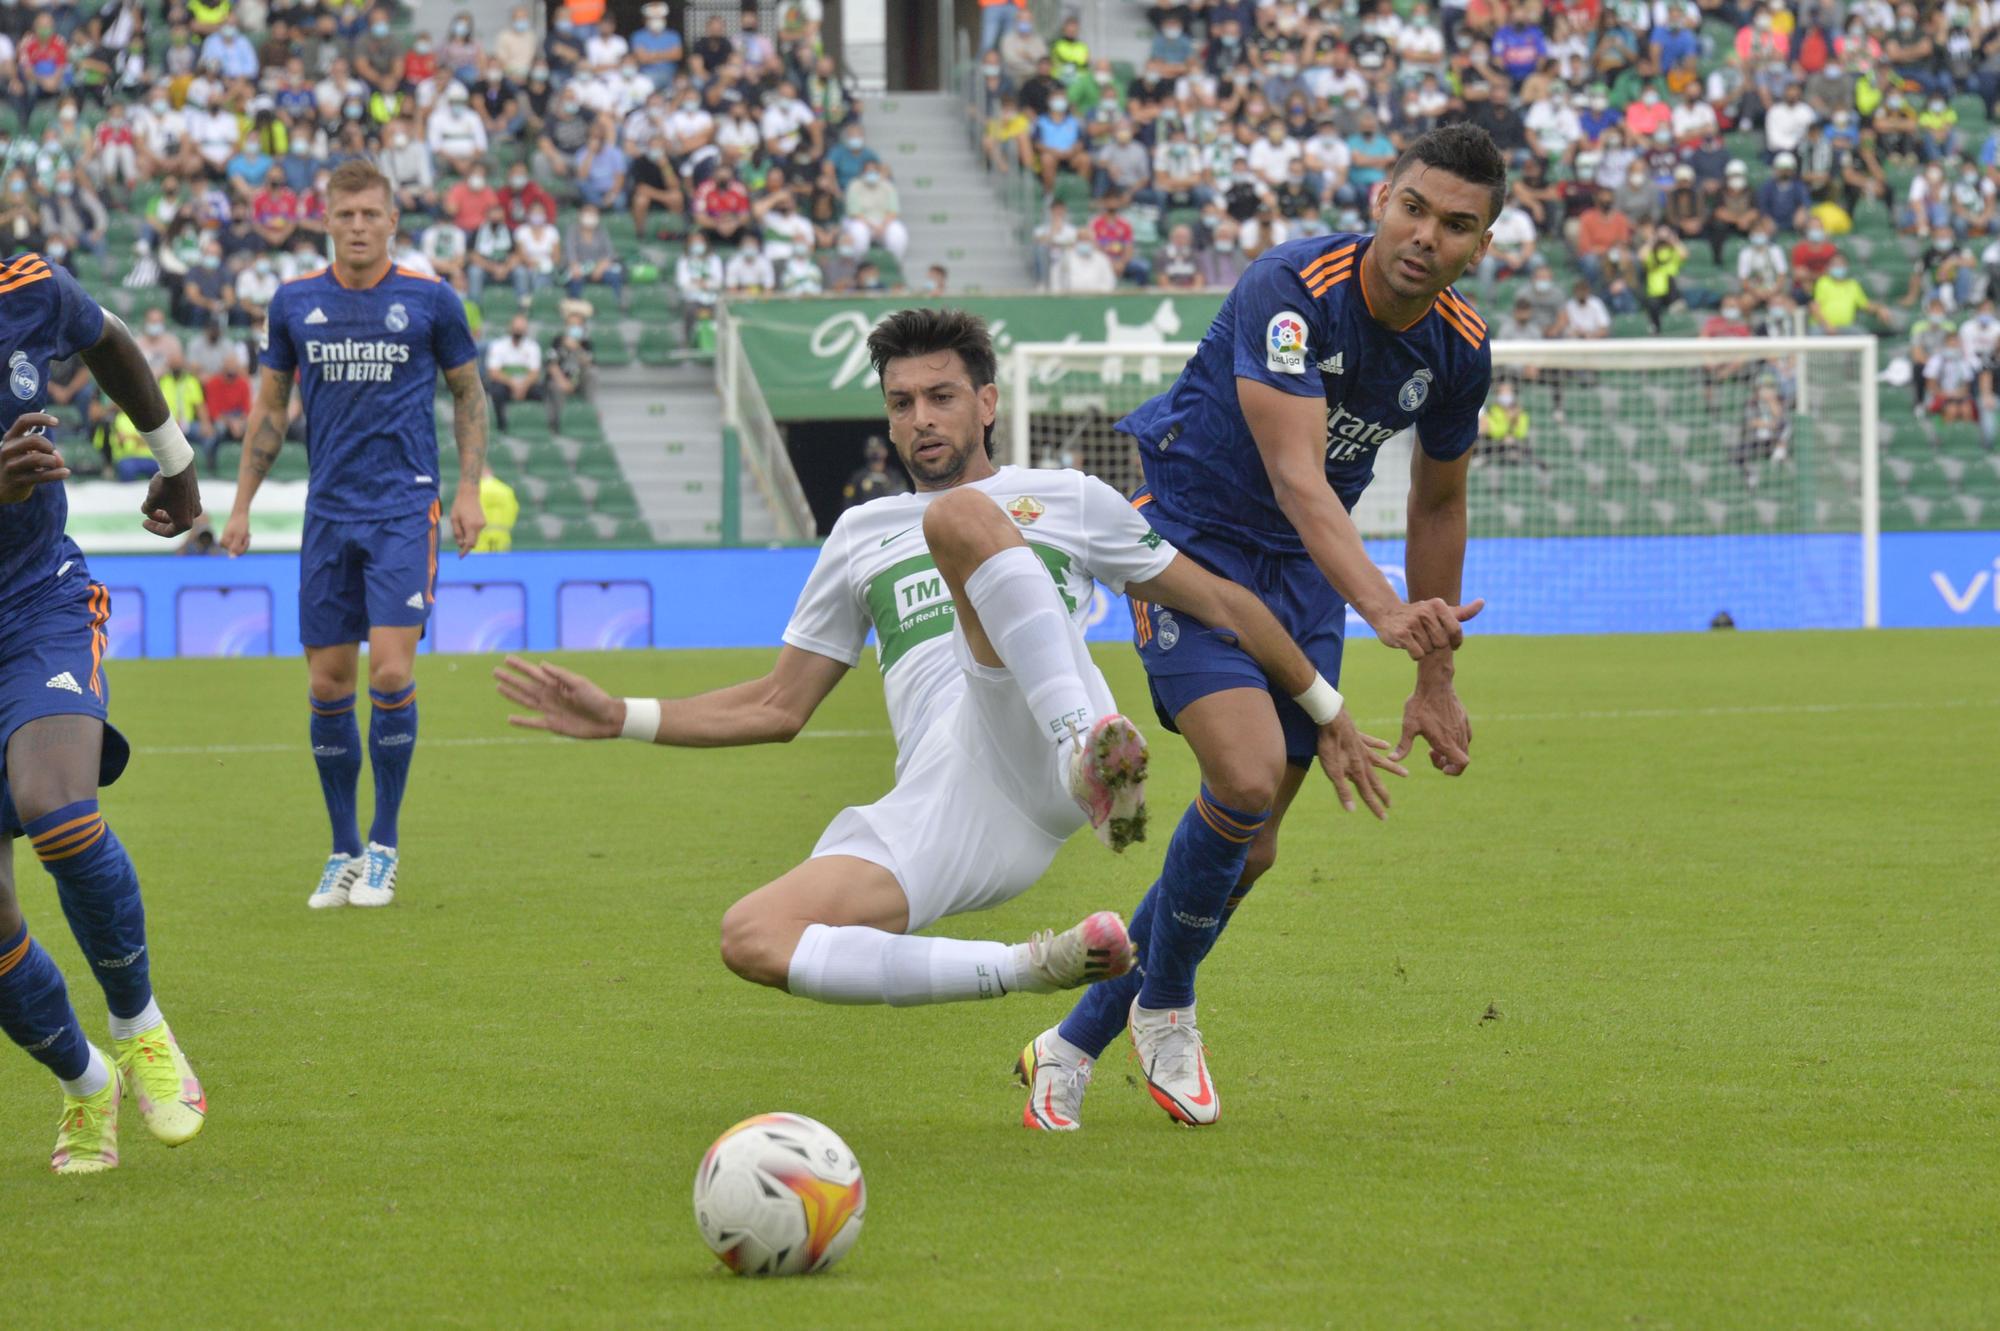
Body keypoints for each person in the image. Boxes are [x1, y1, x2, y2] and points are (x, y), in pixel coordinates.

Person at [494, 308, 1390, 1026]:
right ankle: (1028, 967)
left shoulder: (1073, 498)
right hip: (951, 803)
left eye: (940, 396)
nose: (919, 418)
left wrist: (1324, 706)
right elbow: (777, 704)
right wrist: (623, 715)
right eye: (901, 402)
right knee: (755, 935)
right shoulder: (858, 534)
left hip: (1049, 741)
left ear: (988, 403)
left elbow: (1226, 604)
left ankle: (1089, 751)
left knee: (958, 520)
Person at [1018, 125, 1494, 1130]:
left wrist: (1434, 677)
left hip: (1302, 580)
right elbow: (1295, 475)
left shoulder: (1457, 348)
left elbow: (1438, 505)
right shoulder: (1293, 287)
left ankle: (1069, 1043)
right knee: (1237, 779)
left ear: (1478, 244)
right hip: (1188, 545)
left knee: (1253, 847)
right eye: (1413, 208)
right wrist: (1379, 605)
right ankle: (1169, 1003)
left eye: (1456, 225)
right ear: (1380, 199)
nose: (1426, 237)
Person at [218, 161, 488, 910]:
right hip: (327, 512)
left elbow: (468, 393)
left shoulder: (430, 300)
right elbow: (270, 410)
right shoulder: (295, 303)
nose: (360, 226)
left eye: (372, 213)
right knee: (326, 683)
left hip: (404, 509)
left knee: (392, 675)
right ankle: (340, 849)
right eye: (346, 215)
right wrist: (241, 504)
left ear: (393, 220)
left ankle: (384, 844)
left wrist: (468, 489)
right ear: (327, 221)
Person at [0, 250, 208, 1174]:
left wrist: (177, 460)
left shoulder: (23, 285)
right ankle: (87, 1084)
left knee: (58, 806)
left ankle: (142, 1028)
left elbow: (109, 339)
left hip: (36, 603)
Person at [840, 436, 908, 508]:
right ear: (865, 452)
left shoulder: (894, 476)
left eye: (878, 448)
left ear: (885, 451)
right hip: (866, 516)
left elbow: (904, 498)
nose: (875, 452)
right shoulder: (858, 477)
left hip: (889, 515)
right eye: (871, 449)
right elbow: (848, 500)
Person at [473, 462, 518, 551]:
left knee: (478, 563)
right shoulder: (506, 490)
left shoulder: (474, 491)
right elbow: (514, 510)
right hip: (502, 534)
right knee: (501, 563)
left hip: (480, 536)